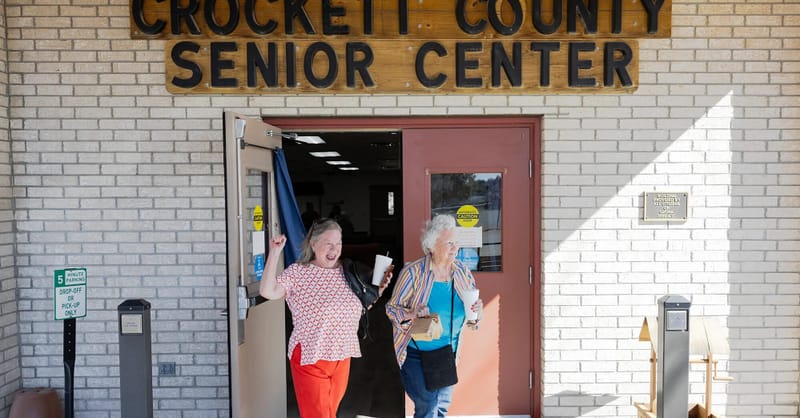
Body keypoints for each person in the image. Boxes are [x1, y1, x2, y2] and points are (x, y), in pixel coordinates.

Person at [260, 218, 393, 418]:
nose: (334, 249)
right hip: (311, 355)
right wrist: (275, 253)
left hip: (341, 356)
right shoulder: (298, 273)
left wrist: (379, 290)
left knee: (330, 413)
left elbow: (360, 307)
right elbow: (267, 291)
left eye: (338, 243)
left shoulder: (348, 272)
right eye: (328, 243)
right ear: (313, 244)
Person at [386, 214, 483, 418]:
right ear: (431, 245)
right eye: (449, 243)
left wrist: (477, 313)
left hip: (447, 353)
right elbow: (392, 308)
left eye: (456, 243)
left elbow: (473, 316)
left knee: (440, 409)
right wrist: (412, 314)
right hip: (415, 353)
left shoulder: (462, 272)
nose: (455, 248)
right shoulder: (413, 273)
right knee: (428, 406)